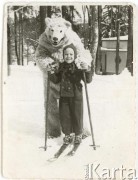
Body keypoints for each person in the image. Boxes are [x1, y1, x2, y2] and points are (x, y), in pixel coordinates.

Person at [49, 43, 93, 145]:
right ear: (63, 55)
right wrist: (51, 72)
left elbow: (88, 80)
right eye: (66, 54)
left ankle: (78, 134)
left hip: (76, 96)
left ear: (75, 55)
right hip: (64, 96)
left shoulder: (78, 66)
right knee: (65, 116)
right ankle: (67, 135)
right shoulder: (61, 67)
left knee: (77, 116)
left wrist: (87, 69)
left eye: (71, 54)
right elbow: (56, 80)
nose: (68, 56)